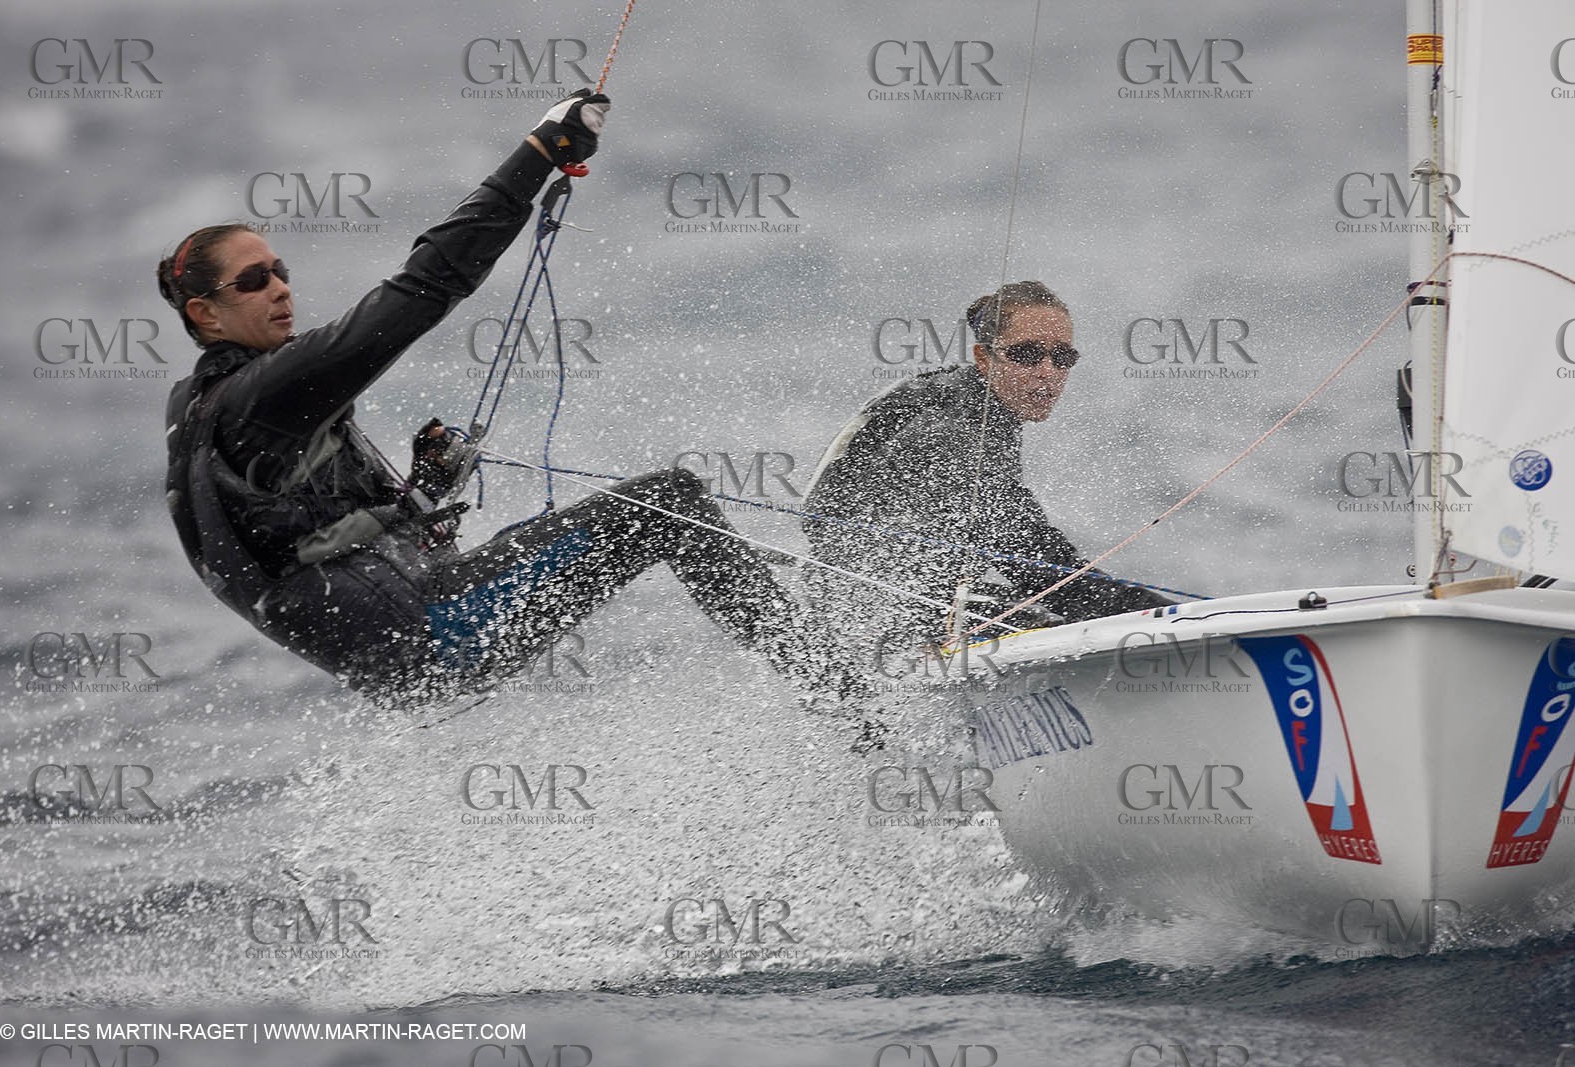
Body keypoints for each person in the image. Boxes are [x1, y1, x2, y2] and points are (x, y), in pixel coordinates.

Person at [159, 92, 860, 708]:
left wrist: (422, 493)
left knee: (660, 512)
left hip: (407, 647)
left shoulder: (202, 413)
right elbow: (423, 288)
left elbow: (295, 544)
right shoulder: (256, 399)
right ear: (206, 314)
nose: (279, 288)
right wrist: (537, 154)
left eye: (279, 271)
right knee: (671, 503)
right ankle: (843, 693)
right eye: (253, 282)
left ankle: (832, 675)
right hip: (434, 632)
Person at [802, 280, 1175, 654]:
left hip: (895, 592)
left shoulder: (970, 401)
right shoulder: (950, 428)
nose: (1047, 372)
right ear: (984, 358)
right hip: (862, 612)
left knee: (1034, 612)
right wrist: (1153, 615)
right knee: (1042, 614)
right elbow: (1033, 555)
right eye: (1027, 355)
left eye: (1061, 357)